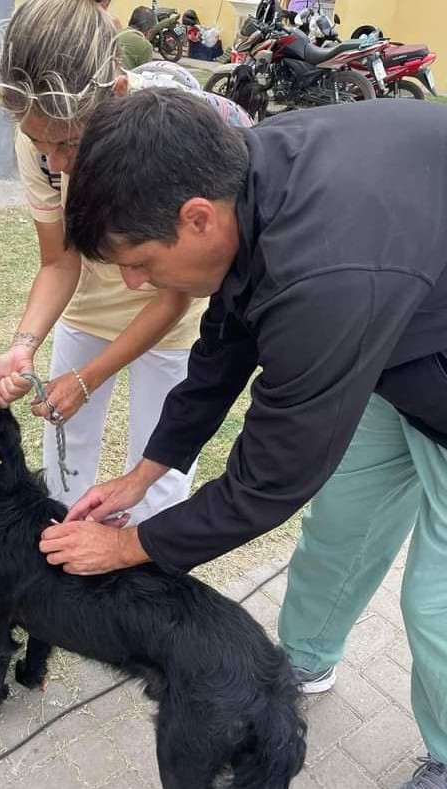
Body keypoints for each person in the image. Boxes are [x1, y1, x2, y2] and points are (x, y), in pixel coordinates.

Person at [41, 89, 447, 789]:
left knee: (434, 606)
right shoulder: (249, 176)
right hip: (394, 336)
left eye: (139, 261)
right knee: (342, 530)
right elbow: (225, 343)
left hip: (417, 344)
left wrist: (129, 546)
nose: (135, 283)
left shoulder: (324, 278)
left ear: (197, 218)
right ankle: (304, 664)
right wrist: (144, 473)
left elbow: (270, 479)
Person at [0, 0, 251, 523]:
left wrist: (87, 379)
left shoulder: (168, 133)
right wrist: (24, 344)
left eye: (69, 143)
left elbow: (174, 296)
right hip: (88, 311)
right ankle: (62, 557)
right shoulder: (40, 134)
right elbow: (58, 261)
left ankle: (147, 562)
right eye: (40, 143)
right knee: (64, 458)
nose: (56, 161)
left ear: (119, 95)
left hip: (173, 317)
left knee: (160, 467)